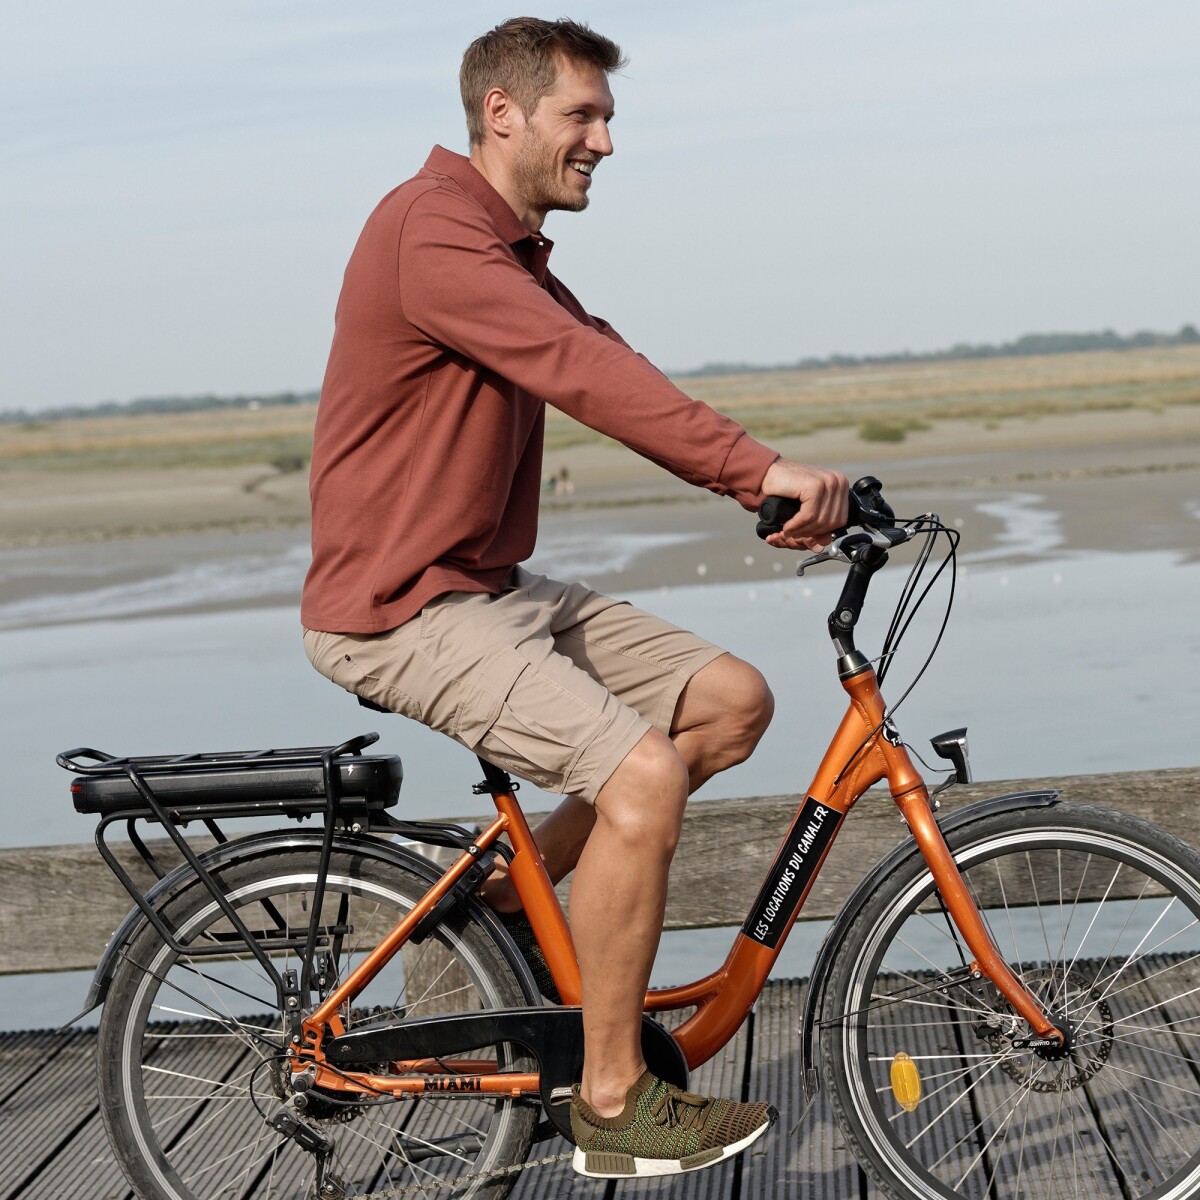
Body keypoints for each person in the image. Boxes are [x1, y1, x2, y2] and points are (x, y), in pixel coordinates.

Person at [301, 16, 847, 1179]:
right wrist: (755, 472)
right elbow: (585, 377)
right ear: (503, 114)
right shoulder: (432, 232)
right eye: (582, 117)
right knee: (642, 776)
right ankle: (610, 1098)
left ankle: (510, 903)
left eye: (607, 119)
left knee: (729, 701)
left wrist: (771, 471)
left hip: (488, 588)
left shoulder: (502, 249)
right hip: (401, 609)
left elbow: (609, 355)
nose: (604, 141)